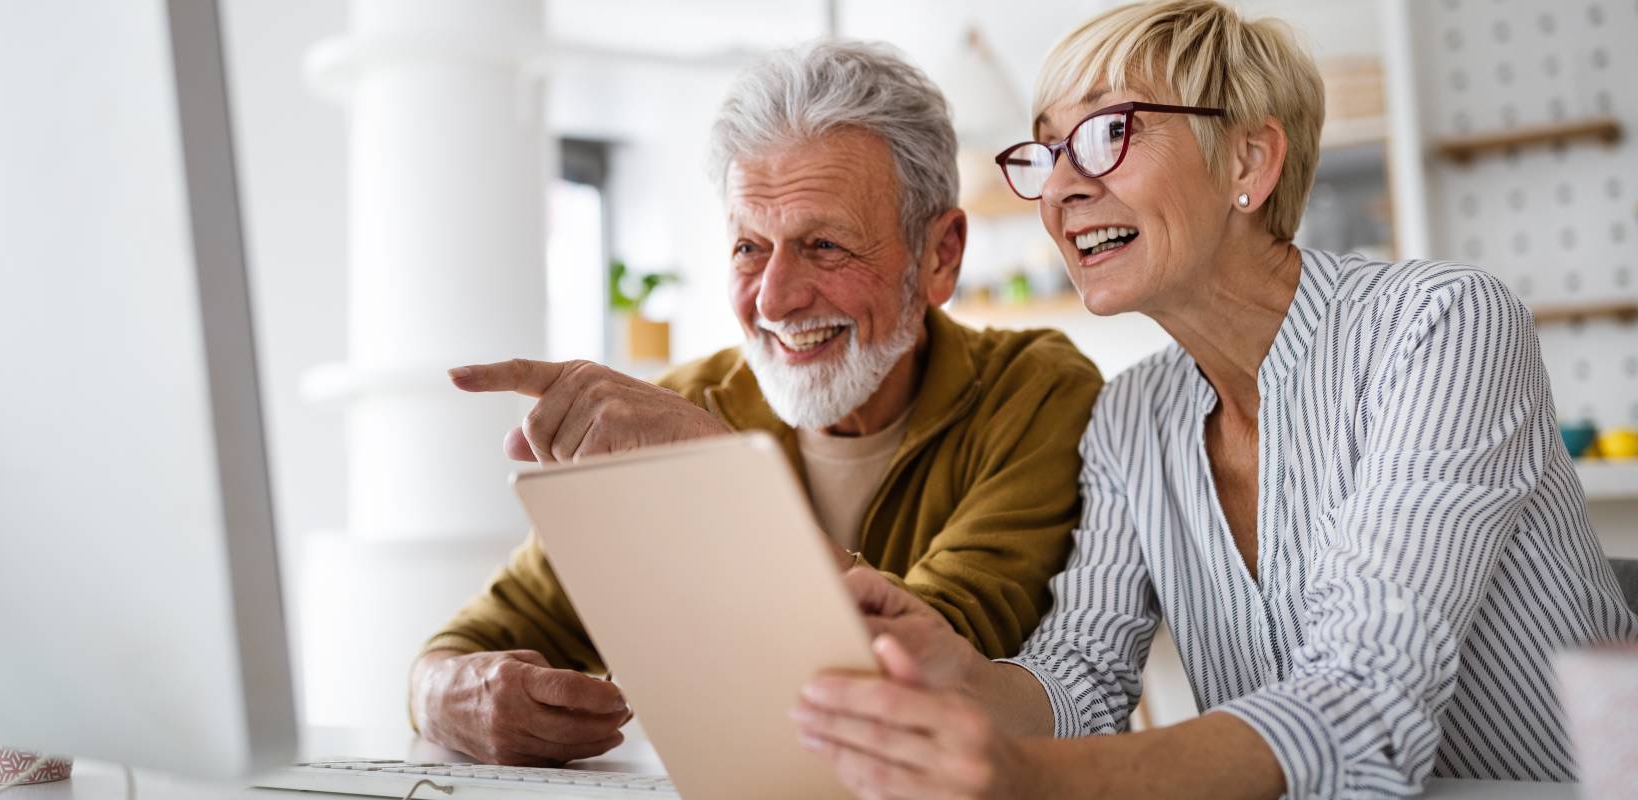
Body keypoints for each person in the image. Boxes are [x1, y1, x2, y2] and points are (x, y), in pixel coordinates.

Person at [789, 2, 1638, 797]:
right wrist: (957, 672)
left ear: (1248, 160)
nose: (1058, 190)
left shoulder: (1440, 327)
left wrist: (1038, 780)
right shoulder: (1131, 416)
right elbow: (1081, 673)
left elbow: (1364, 697)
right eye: (1046, 153)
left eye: (1108, 133)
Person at [409, 41, 1106, 767]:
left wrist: (716, 473)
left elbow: (938, 657)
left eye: (825, 245)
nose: (773, 299)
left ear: (940, 256)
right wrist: (452, 696)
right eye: (749, 247)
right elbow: (471, 641)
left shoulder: (1036, 392)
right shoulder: (680, 405)